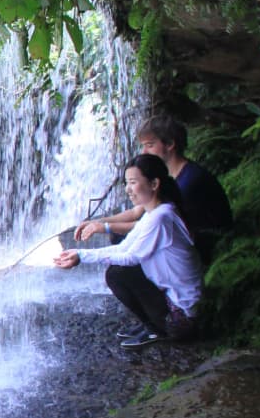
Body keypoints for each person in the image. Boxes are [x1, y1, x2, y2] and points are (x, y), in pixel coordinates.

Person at [54, 153, 203, 346]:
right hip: (177, 305)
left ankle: (158, 329)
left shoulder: (161, 217)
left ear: (154, 184)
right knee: (119, 269)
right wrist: (79, 253)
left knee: (119, 273)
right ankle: (152, 325)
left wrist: (82, 256)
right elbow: (124, 246)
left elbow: (131, 257)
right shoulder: (155, 213)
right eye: (126, 183)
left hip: (182, 318)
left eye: (133, 182)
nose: (128, 190)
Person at [76, 114, 234, 265]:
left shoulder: (190, 180)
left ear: (170, 144)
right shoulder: (166, 176)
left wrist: (105, 227)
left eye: (150, 145)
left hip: (207, 242)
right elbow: (137, 212)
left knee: (121, 251)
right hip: (180, 237)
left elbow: (156, 224)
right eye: (143, 146)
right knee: (119, 238)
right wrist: (97, 222)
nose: (144, 152)